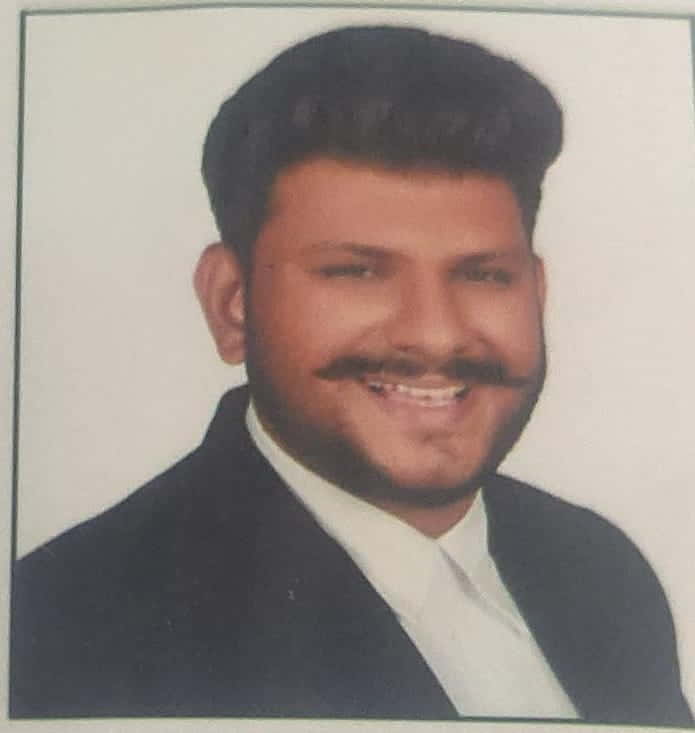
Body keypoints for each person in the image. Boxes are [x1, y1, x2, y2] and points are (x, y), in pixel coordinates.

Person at [10, 25, 693, 725]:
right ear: (232, 303)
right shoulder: (70, 631)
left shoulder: (600, 570)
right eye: (357, 272)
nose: (435, 333)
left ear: (536, 292)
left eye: (484, 274)